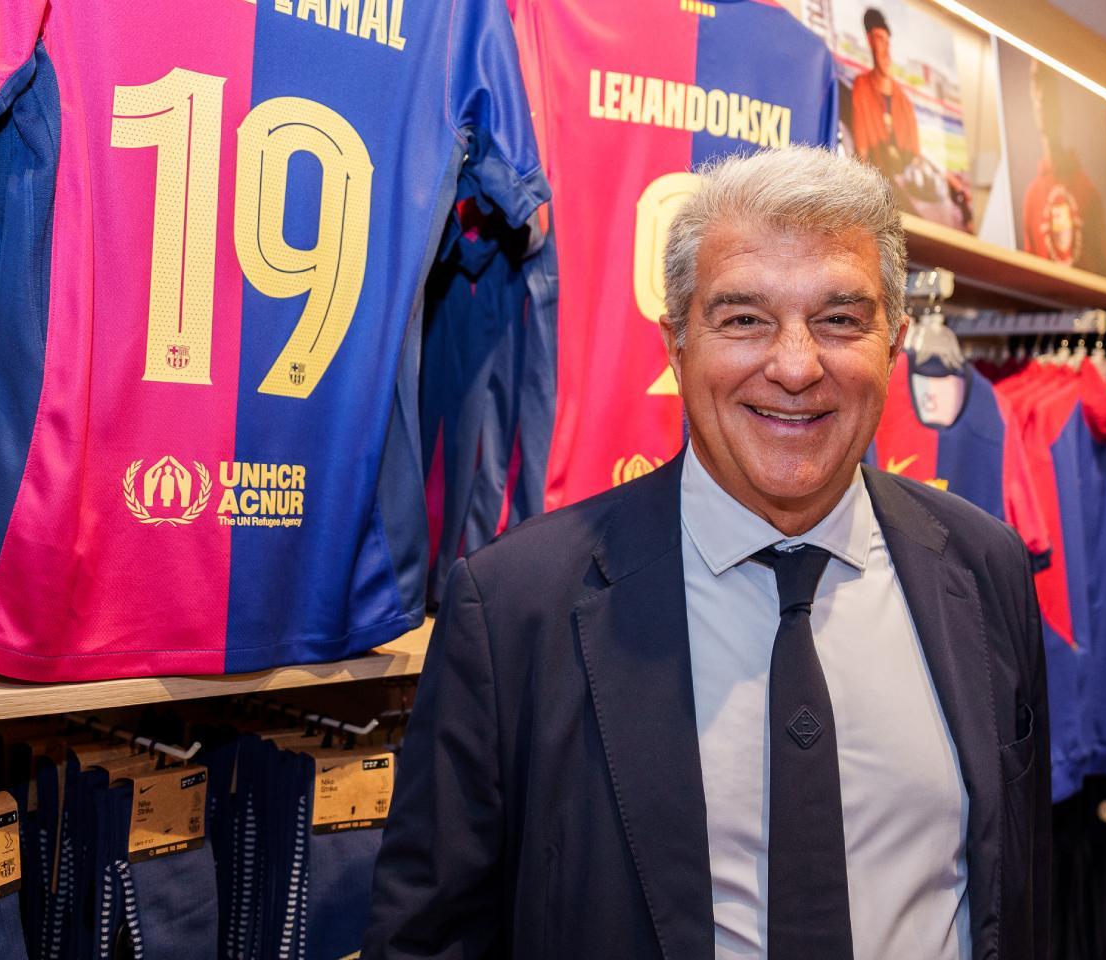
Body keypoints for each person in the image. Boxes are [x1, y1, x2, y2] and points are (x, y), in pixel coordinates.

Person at [365, 146, 1051, 959]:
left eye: (840, 319)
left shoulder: (986, 567)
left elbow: (1023, 892)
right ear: (676, 343)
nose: (795, 366)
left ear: (894, 343)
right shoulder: (515, 609)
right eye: (743, 318)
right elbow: (429, 941)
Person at [1018, 59, 1106, 274]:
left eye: (1048, 84)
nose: (1041, 96)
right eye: (1036, 84)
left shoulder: (1089, 192)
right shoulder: (1032, 197)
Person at [850, 8, 921, 179]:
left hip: (903, 183)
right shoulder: (862, 86)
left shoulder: (904, 101)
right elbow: (862, 150)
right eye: (880, 40)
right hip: (878, 183)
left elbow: (916, 156)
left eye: (887, 42)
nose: (885, 50)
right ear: (869, 41)